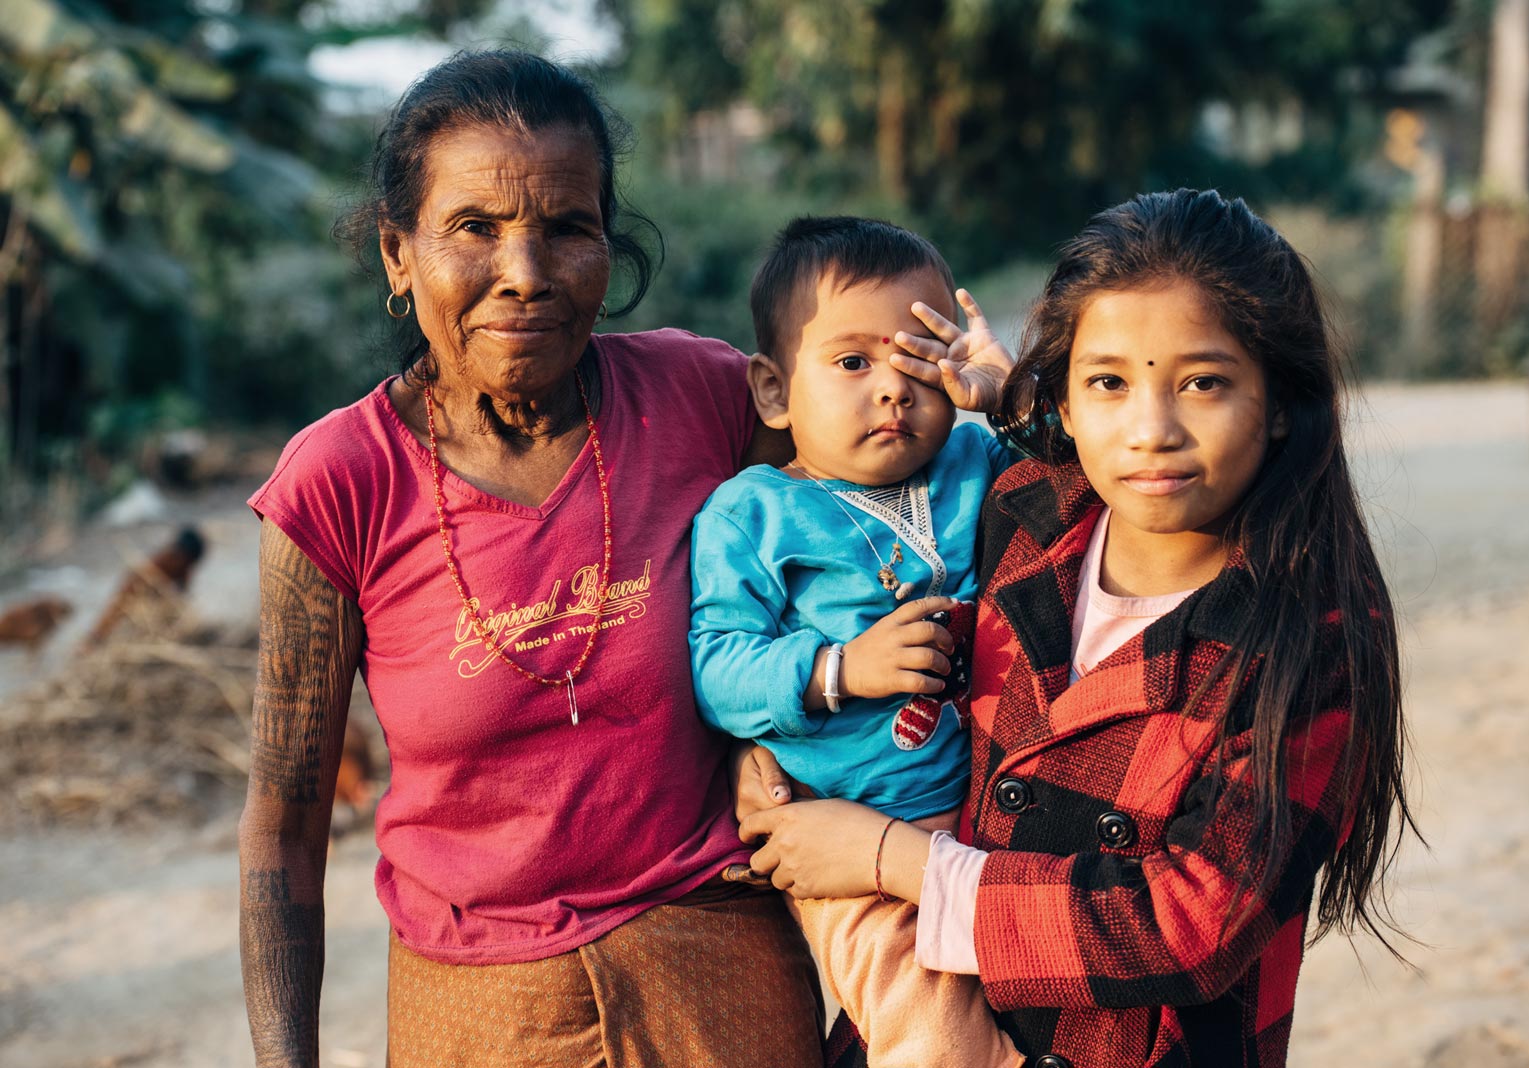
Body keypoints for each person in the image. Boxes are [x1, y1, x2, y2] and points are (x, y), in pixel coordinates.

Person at [236, 50, 825, 1068]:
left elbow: (876, 505)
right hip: (473, 1008)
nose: (525, 272)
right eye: (474, 228)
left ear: (608, 245)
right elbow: (284, 826)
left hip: (721, 970)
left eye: (566, 228)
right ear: (396, 253)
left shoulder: (707, 399)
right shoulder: (339, 481)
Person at [739, 189, 1415, 1068]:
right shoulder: (1025, 513)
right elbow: (830, 591)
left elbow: (1190, 925)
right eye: (1108, 382)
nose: (1151, 431)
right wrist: (766, 768)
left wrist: (892, 860)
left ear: (1279, 401)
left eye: (1203, 383)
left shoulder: (1313, 639)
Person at [689, 216, 1020, 1067]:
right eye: (852, 363)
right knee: (929, 1030)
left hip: (990, 815)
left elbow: (1083, 481)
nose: (893, 390)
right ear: (772, 391)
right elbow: (716, 667)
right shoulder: (753, 513)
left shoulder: (975, 460)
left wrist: (1009, 397)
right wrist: (840, 669)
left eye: (919, 363)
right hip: (850, 840)